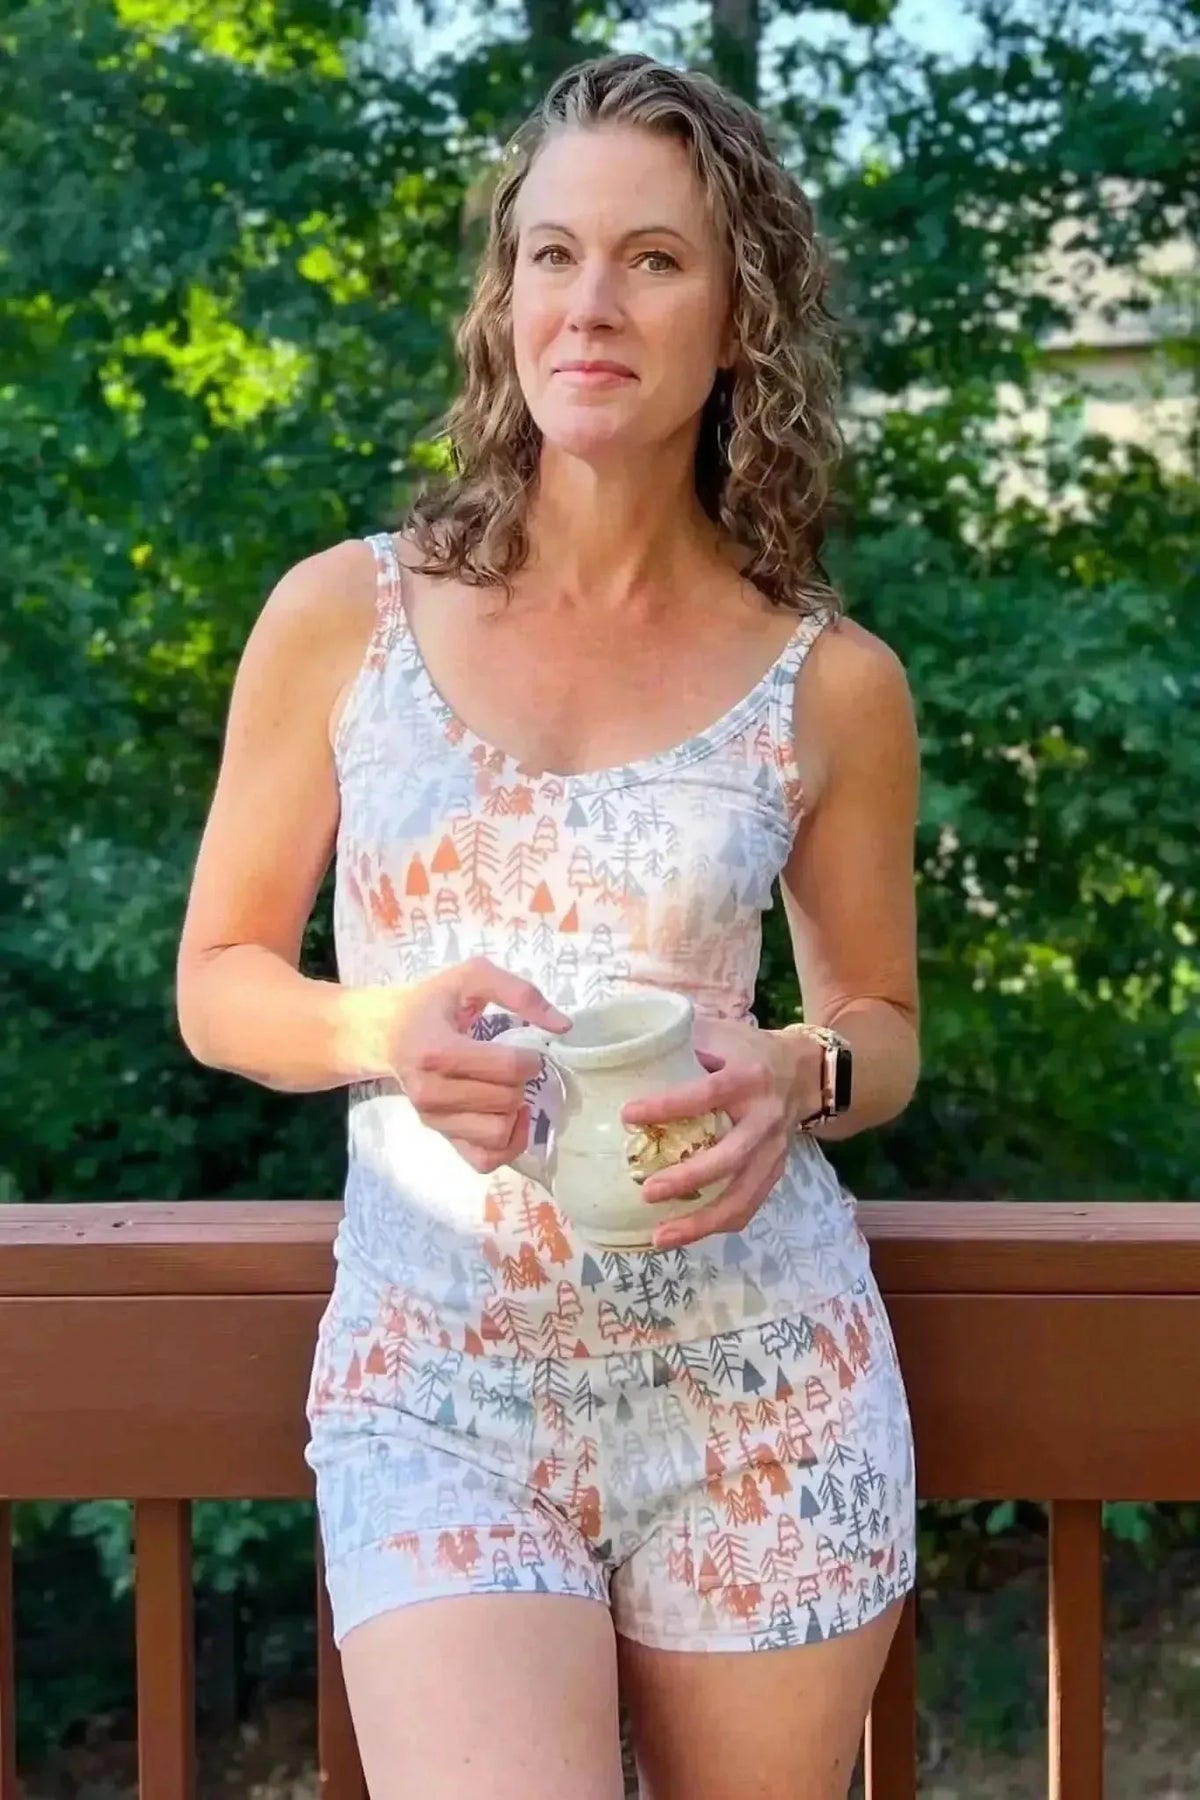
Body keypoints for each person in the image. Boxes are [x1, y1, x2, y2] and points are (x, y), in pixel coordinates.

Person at [176, 50, 920, 1800]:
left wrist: (794, 1072)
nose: (591, 302)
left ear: (737, 323)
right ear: (505, 297)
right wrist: (378, 1027)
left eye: (654, 260)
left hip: (765, 1393)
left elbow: (880, 1029)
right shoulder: (341, 615)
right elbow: (218, 981)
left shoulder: (832, 682)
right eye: (553, 254)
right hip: (439, 1393)